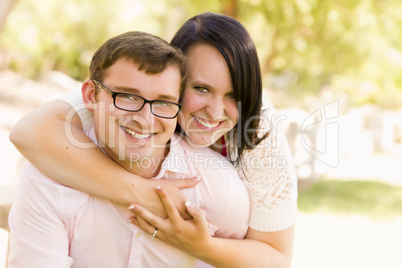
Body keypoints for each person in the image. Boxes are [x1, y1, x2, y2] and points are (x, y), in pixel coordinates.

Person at [10, 12, 297, 267]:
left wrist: (201, 245)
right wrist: (146, 194)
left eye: (233, 95)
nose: (216, 111)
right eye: (200, 88)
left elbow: (276, 257)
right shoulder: (122, 94)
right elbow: (29, 134)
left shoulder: (257, 135)